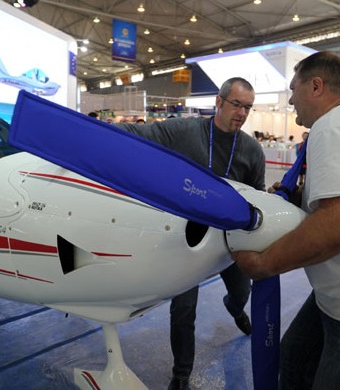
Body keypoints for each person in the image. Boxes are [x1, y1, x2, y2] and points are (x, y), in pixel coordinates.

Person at [232, 51, 340, 389]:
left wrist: (265, 263)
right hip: (338, 293)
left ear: (316, 86)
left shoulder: (336, 127)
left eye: (294, 89)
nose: (290, 100)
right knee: (293, 359)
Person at [116, 77, 265, 390]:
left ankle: (235, 309)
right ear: (219, 102)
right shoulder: (185, 131)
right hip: (188, 237)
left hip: (230, 239)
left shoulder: (252, 151)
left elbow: (258, 196)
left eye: (248, 107)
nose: (242, 112)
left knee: (242, 293)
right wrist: (88, 132)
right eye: (236, 104)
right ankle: (182, 374)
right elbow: (140, 134)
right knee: (183, 309)